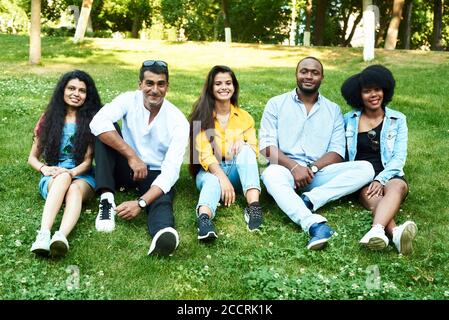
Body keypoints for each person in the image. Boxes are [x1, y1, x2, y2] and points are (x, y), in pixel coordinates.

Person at [259, 56, 374, 250]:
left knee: (366, 168)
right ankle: (313, 224)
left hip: (318, 172)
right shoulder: (276, 104)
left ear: (322, 77)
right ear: (296, 74)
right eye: (304, 71)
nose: (309, 76)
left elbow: (337, 151)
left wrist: (311, 168)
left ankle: (310, 200)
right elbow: (266, 147)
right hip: (285, 169)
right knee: (270, 174)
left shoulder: (333, 109)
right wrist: (294, 167)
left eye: (315, 72)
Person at [89, 60, 189, 256]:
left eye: (161, 84)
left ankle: (163, 234)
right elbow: (97, 122)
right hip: (124, 166)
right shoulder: (128, 99)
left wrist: (141, 203)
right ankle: (107, 201)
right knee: (106, 132)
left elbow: (170, 172)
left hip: (154, 172)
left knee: (161, 197)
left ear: (167, 87)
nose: (155, 90)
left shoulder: (178, 122)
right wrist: (132, 156)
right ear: (140, 85)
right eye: (149, 83)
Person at [341, 64, 417, 254]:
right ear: (359, 95)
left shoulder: (398, 119)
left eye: (377, 89)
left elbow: (399, 158)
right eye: (367, 91)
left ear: (385, 90)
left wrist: (380, 179)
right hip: (361, 177)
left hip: (390, 173)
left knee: (397, 187)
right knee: (376, 199)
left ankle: (376, 231)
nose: (373, 95)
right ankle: (396, 233)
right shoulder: (348, 120)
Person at [28, 70, 102, 257]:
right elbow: (32, 158)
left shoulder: (90, 120)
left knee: (74, 189)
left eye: (82, 90)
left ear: (88, 95)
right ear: (62, 90)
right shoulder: (49, 118)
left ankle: (60, 236)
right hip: (53, 176)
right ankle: (44, 235)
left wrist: (71, 173)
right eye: (71, 88)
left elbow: (87, 162)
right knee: (61, 179)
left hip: (81, 176)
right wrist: (44, 169)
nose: (76, 94)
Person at [189, 65, 263, 241]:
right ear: (211, 88)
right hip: (209, 172)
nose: (224, 87)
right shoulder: (201, 116)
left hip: (237, 172)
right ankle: (204, 220)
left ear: (234, 87)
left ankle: (254, 207)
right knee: (213, 180)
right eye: (218, 84)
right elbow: (205, 156)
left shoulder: (245, 117)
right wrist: (222, 179)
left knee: (246, 150)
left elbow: (254, 148)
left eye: (228, 83)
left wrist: (243, 142)